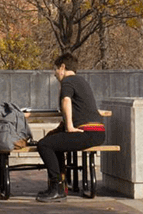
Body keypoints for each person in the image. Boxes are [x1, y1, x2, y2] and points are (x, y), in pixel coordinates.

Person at [35, 53, 105, 203]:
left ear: (62, 67)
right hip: (97, 132)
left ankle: (56, 188)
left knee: (44, 145)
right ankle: (61, 186)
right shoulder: (81, 81)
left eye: (55, 70)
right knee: (52, 142)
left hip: (87, 132)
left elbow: (66, 101)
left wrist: (69, 127)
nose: (54, 74)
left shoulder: (67, 81)